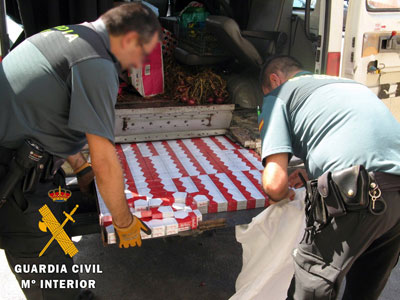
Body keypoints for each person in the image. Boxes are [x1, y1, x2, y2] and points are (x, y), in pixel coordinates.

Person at [0, 3, 161, 299]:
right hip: (17, 185)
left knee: (59, 244)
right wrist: (124, 222)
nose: (138, 64)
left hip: (28, 170)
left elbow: (47, 116)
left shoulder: (67, 37)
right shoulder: (95, 63)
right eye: (141, 52)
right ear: (128, 39)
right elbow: (105, 161)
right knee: (53, 280)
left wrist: (80, 167)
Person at [258, 55, 400, 299]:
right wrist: (312, 172)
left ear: (274, 79)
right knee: (364, 288)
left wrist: (283, 194)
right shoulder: (349, 84)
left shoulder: (279, 94)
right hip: (395, 197)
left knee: (313, 278)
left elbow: (274, 183)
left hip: (356, 194)